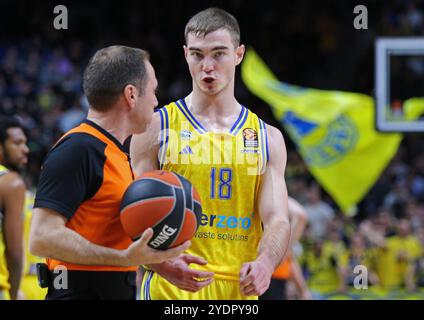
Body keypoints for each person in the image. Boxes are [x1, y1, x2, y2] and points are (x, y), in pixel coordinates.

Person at [131, 8, 291, 300]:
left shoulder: (268, 138)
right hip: (170, 288)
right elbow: (131, 217)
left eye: (219, 54)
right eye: (197, 54)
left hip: (237, 290)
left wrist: (266, 263)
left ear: (239, 54)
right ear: (185, 55)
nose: (207, 66)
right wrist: (163, 265)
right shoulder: (154, 128)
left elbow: (278, 219)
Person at [29, 45, 190, 300]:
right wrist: (122, 258)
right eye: (153, 90)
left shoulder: (115, 151)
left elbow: (105, 235)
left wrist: (157, 261)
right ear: (131, 95)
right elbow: (42, 238)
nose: (157, 101)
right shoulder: (78, 149)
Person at [0, 116, 29, 300]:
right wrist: (13, 293)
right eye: (17, 143)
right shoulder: (11, 184)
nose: (25, 149)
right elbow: (15, 254)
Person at [261, 196, 311, 300]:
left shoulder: (280, 242)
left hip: (273, 283)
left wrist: (303, 291)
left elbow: (290, 260)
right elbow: (300, 215)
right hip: (262, 281)